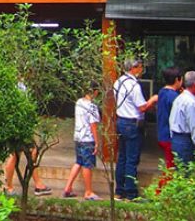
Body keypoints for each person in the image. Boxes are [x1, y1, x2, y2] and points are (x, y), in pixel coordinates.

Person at [112, 59, 158, 200]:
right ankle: (130, 192)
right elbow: (142, 107)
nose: (141, 70)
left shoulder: (118, 82)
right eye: (139, 67)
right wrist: (153, 100)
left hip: (121, 120)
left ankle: (119, 190)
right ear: (133, 68)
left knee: (122, 158)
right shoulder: (134, 86)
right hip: (132, 123)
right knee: (131, 159)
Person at [61, 83, 101, 201]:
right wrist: (97, 141)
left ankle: (68, 188)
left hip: (78, 137)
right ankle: (88, 191)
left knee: (79, 161)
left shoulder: (79, 102)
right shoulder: (92, 106)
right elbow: (93, 125)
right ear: (94, 91)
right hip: (87, 138)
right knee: (87, 164)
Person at [155, 67, 182, 174]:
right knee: (171, 167)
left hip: (162, 133)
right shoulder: (174, 97)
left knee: (169, 164)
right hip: (170, 136)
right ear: (177, 80)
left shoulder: (162, 92)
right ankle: (160, 190)